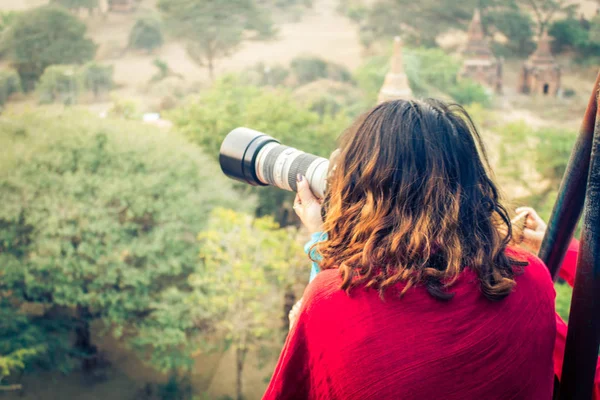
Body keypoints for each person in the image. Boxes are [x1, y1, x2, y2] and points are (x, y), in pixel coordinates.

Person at [263, 99, 558, 399]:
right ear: (474, 184)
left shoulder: (334, 298)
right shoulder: (530, 279)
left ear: (362, 192)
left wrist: (322, 240)